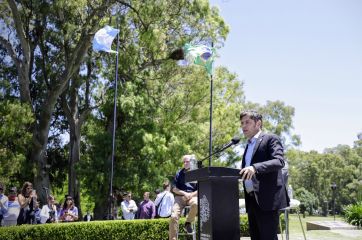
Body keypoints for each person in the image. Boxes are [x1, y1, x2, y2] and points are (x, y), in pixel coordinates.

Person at [239, 110, 290, 240]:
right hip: (251, 199)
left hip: (267, 200)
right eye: (242, 123)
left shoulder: (270, 139)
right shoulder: (248, 145)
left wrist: (255, 168)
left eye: (247, 122)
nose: (243, 126)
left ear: (258, 123)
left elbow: (279, 161)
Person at [169, 155, 198, 240]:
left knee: (196, 203)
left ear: (191, 162)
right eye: (184, 162)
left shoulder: (196, 173)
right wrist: (184, 193)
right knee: (173, 216)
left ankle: (188, 223)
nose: (185, 163)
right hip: (180, 197)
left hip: (192, 196)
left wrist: (191, 195)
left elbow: (201, 189)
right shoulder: (179, 173)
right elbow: (174, 189)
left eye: (187, 161)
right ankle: (172, 239)